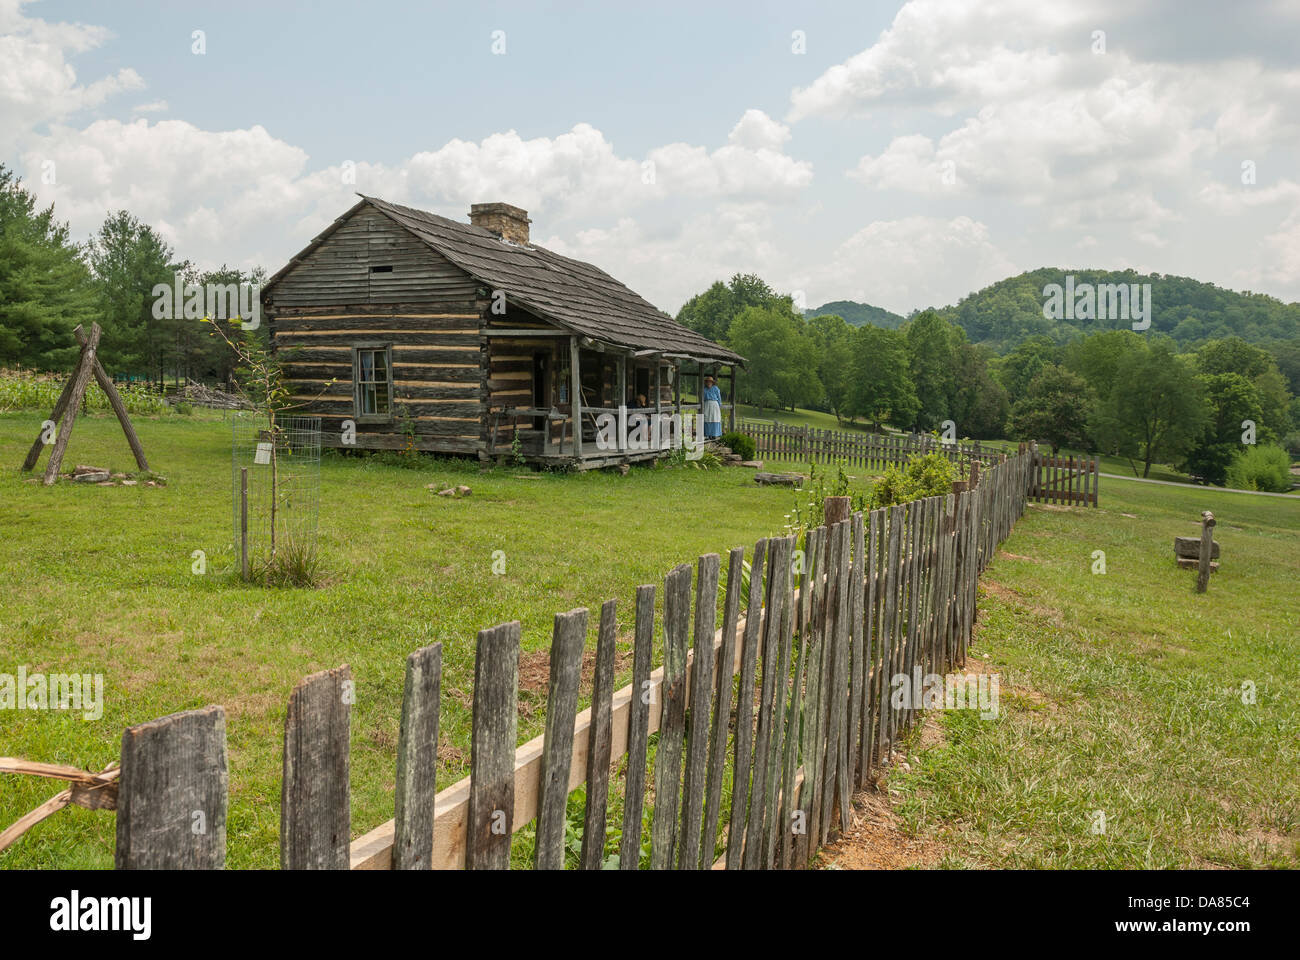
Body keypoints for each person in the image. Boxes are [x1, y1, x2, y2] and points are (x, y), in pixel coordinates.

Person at [701, 374, 723, 439]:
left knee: (715, 418)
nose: (709, 383)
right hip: (707, 404)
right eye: (707, 382)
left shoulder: (716, 388)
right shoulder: (704, 389)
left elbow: (719, 397)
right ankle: (707, 434)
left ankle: (714, 434)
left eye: (710, 382)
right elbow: (702, 398)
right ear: (706, 382)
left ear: (712, 383)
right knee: (707, 418)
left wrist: (719, 405)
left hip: (714, 405)